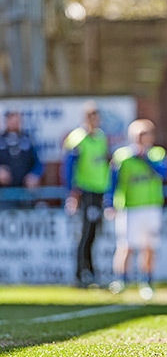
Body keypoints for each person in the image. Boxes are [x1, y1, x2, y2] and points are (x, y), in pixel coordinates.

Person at [105, 119, 167, 300]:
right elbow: (112, 182)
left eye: (144, 135)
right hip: (129, 207)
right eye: (137, 135)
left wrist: (146, 158)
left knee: (149, 246)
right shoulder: (122, 156)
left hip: (151, 206)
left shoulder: (157, 154)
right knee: (126, 245)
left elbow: (165, 173)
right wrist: (109, 203)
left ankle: (146, 281)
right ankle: (121, 279)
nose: (140, 139)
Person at [62, 101, 110, 288]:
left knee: (95, 233)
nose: (95, 120)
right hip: (85, 191)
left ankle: (90, 271)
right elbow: (68, 167)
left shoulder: (101, 138)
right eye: (92, 116)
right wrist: (72, 192)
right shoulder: (77, 138)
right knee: (85, 233)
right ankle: (81, 273)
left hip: (99, 190)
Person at [0, 111, 43, 202]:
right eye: (12, 121)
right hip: (4, 193)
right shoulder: (1, 141)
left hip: (25, 192)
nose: (14, 124)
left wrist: (34, 175)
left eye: (17, 121)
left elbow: (38, 163)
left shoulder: (28, 140)